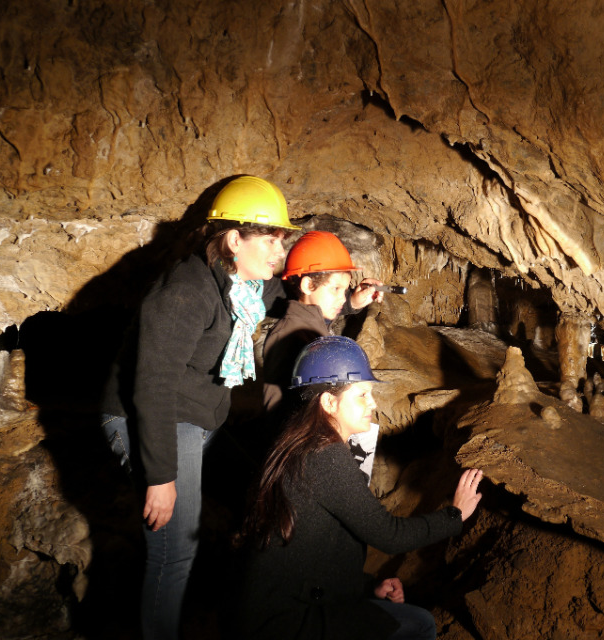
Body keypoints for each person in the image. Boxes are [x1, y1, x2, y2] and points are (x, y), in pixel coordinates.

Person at [99, 175, 299, 640]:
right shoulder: (184, 292)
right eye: (270, 239)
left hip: (200, 412)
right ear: (233, 239)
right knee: (173, 550)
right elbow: (152, 387)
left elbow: (295, 296)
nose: (278, 251)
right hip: (150, 415)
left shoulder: (246, 288)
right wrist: (161, 477)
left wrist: (350, 300)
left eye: (281, 240)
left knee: (263, 487)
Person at [235, 336, 483, 640]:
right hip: (285, 620)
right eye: (362, 395)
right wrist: (454, 515)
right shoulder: (325, 457)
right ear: (329, 402)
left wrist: (367, 586)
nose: (373, 403)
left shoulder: (305, 441)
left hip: (284, 603)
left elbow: (314, 548)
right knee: (418, 625)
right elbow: (389, 535)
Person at [260, 230, 383, 481]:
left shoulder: (306, 323)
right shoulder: (293, 337)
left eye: (345, 288)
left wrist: (354, 301)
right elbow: (280, 410)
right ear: (307, 284)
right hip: (302, 461)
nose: (342, 297)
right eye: (336, 288)